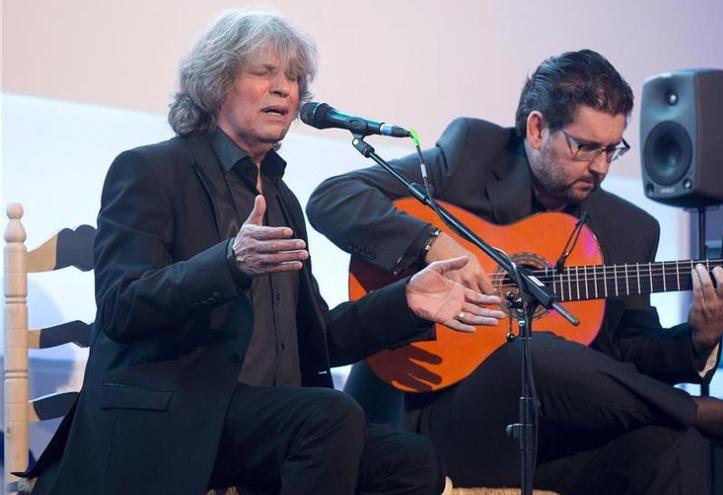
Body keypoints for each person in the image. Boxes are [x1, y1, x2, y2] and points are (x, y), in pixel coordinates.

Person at [24, 9, 504, 495]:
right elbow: (121, 306)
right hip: (173, 417)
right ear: (215, 83)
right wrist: (228, 264)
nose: (285, 89)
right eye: (264, 72)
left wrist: (404, 301)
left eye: (294, 78)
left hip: (266, 423)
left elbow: (319, 337)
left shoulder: (281, 198)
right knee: (328, 417)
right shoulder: (149, 171)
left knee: (409, 459)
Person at [306, 49, 723, 493]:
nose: (600, 167)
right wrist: (432, 243)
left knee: (668, 443)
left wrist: (701, 339)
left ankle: (691, 421)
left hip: (554, 437)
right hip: (444, 413)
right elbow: (334, 198)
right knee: (536, 349)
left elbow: (631, 353)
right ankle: (706, 412)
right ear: (535, 129)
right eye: (584, 147)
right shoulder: (471, 154)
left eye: (612, 149)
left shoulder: (629, 228)